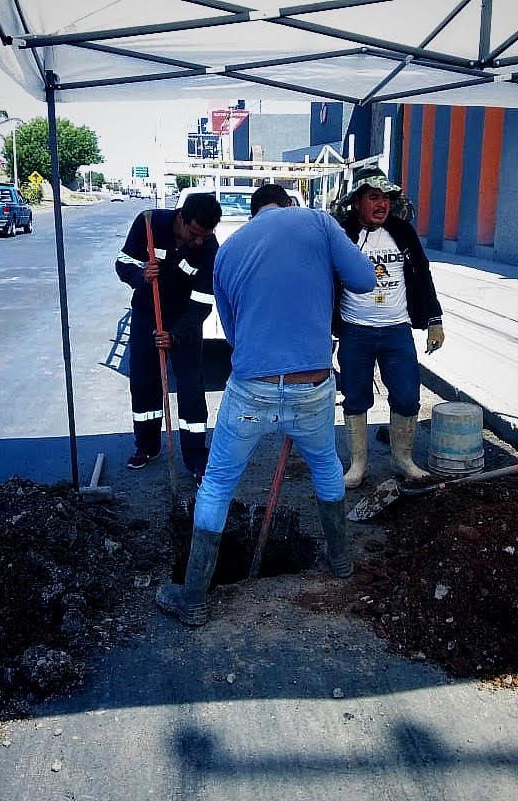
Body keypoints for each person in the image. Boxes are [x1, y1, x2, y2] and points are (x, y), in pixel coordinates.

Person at [156, 183, 376, 626]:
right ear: (288, 204)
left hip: (252, 387)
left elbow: (233, 331)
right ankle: (340, 561)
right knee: (326, 465)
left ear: (254, 212)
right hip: (311, 383)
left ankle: (193, 598)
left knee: (217, 483)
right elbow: (365, 281)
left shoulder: (228, 251)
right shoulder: (318, 223)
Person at [335, 167, 444, 487]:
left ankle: (403, 460)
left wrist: (434, 320)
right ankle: (358, 464)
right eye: (374, 197)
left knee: (408, 398)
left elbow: (422, 275)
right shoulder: (342, 234)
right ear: (357, 201)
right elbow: (323, 278)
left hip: (397, 331)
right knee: (355, 398)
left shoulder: (403, 232)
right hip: (355, 331)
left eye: (386, 198)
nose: (382, 204)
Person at [115, 193, 222, 483]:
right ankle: (146, 447)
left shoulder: (209, 247)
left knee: (190, 388)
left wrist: (175, 335)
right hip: (147, 315)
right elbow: (123, 262)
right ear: (181, 218)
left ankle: (196, 457)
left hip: (184, 321)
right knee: (143, 382)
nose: (199, 241)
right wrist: (140, 274)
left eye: (205, 234)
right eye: (195, 233)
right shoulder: (149, 223)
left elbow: (202, 303)